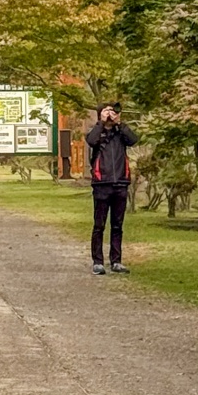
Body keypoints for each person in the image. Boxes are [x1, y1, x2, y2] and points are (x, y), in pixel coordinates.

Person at [84, 103, 138, 275]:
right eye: (106, 111)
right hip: (102, 183)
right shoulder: (98, 133)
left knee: (117, 225)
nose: (110, 114)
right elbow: (91, 141)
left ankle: (116, 260)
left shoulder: (120, 133)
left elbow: (133, 140)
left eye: (112, 111)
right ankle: (97, 261)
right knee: (99, 225)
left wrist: (119, 123)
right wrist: (101, 123)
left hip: (121, 183)